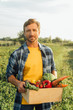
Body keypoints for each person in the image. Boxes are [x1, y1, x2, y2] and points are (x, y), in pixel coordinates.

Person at [6, 18, 57, 110]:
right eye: (28, 30)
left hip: (44, 97)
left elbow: (53, 69)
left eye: (34, 30)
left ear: (39, 32)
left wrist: (54, 81)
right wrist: (18, 83)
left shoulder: (48, 51)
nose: (31, 33)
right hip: (25, 96)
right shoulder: (17, 53)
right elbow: (9, 74)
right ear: (24, 33)